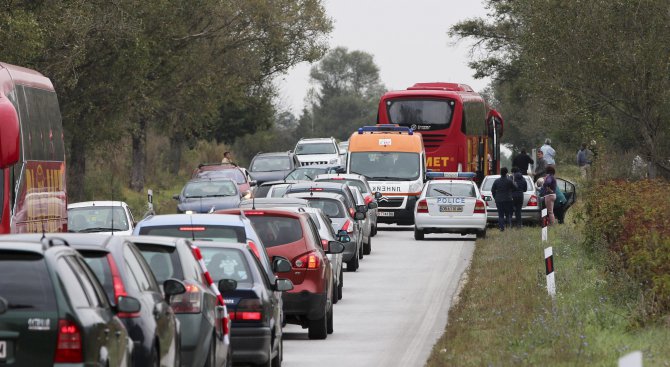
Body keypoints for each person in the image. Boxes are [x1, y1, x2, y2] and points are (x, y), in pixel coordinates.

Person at [491, 167, 515, 231]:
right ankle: (509, 226)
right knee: (508, 214)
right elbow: (515, 187)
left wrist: (495, 197)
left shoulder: (496, 181)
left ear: (500, 173)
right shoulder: (509, 180)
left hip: (499, 200)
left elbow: (492, 190)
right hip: (508, 199)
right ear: (506, 173)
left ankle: (501, 227)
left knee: (500, 215)